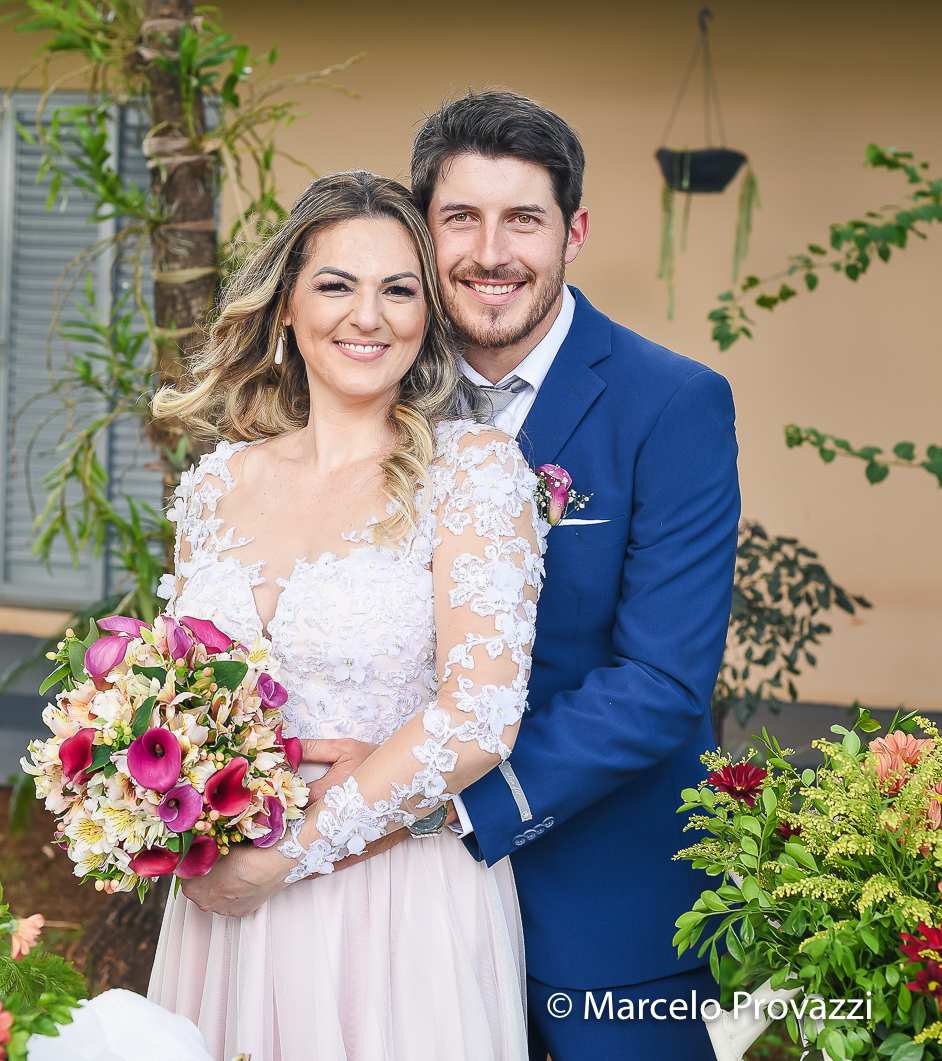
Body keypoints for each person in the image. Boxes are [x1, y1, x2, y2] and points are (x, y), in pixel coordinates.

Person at [301, 91, 741, 1060]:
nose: (491, 252)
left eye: (524, 220)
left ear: (573, 232)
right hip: (386, 911)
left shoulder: (673, 404)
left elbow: (662, 680)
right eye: (461, 217)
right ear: (422, 233)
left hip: (604, 911)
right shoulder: (358, 389)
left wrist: (437, 803)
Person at [146, 170, 543, 1061]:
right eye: (337, 284)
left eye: (398, 290)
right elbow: (175, 699)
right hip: (221, 908)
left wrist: (283, 860)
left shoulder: (473, 472)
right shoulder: (215, 485)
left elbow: (479, 717)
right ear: (287, 304)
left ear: (427, 316)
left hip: (393, 909)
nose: (369, 316)